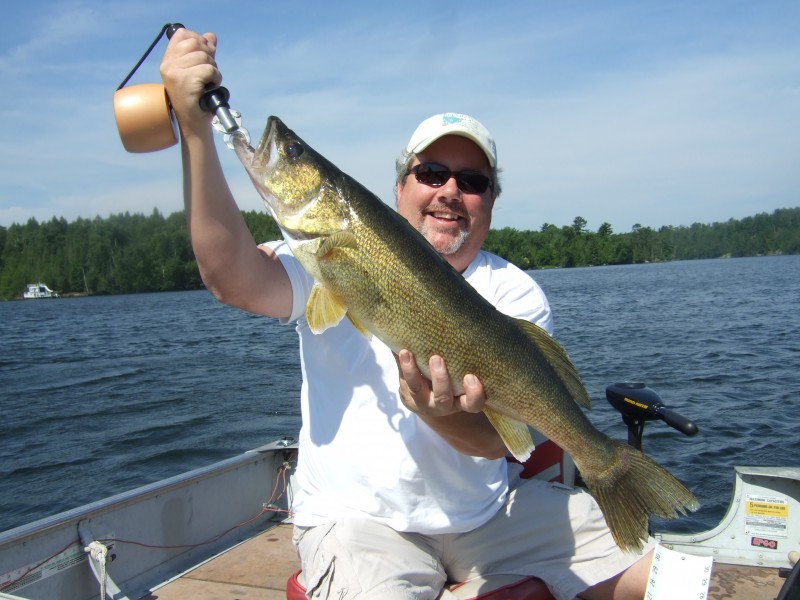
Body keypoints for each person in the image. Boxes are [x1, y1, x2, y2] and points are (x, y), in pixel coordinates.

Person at [160, 28, 655, 600]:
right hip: (358, 523)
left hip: (488, 516)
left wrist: (437, 413)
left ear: (491, 201)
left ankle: (606, 471)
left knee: (665, 580)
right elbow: (230, 278)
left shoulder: (514, 292)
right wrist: (195, 130)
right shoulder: (320, 257)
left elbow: (499, 444)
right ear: (399, 188)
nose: (450, 191)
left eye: (472, 181)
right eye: (431, 173)